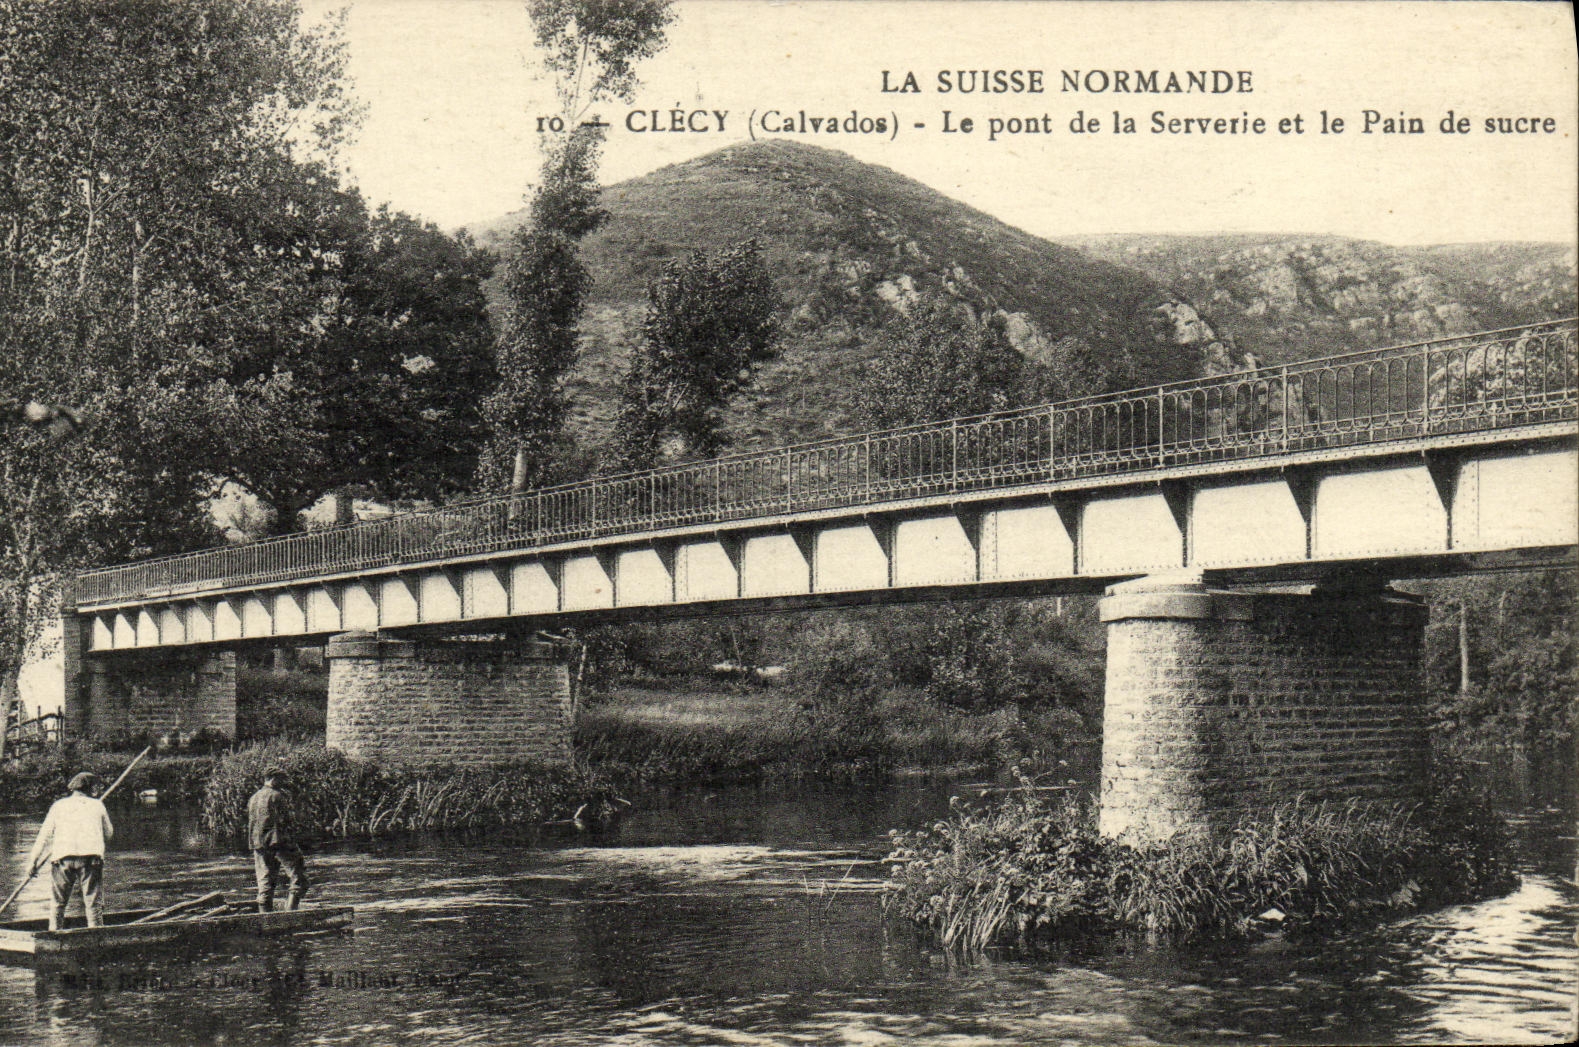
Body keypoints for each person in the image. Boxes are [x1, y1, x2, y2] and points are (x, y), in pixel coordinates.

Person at [27, 772, 114, 930]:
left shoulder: (58, 805)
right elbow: (109, 834)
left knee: (58, 904)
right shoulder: (98, 805)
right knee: (93, 903)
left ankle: (54, 935)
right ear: (89, 788)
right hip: (91, 860)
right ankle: (97, 938)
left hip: (62, 859)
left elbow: (43, 836)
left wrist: (32, 862)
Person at [247, 768, 309, 912]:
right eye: (281, 780)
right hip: (279, 842)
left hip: (258, 845)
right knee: (299, 877)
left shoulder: (254, 797)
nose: (283, 783)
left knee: (265, 883)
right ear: (273, 779)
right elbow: (287, 821)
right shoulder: (277, 796)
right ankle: (291, 913)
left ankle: (265, 920)